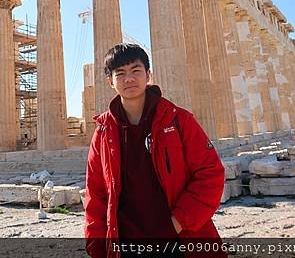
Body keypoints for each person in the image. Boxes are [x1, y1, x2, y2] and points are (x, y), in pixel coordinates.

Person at [84, 43, 225, 257]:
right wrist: (96, 247)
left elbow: (210, 173)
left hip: (178, 240)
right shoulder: (103, 133)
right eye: (120, 73)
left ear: (148, 75)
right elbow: (96, 194)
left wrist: (178, 222)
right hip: (127, 244)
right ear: (109, 82)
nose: (128, 78)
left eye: (136, 70)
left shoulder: (179, 120)